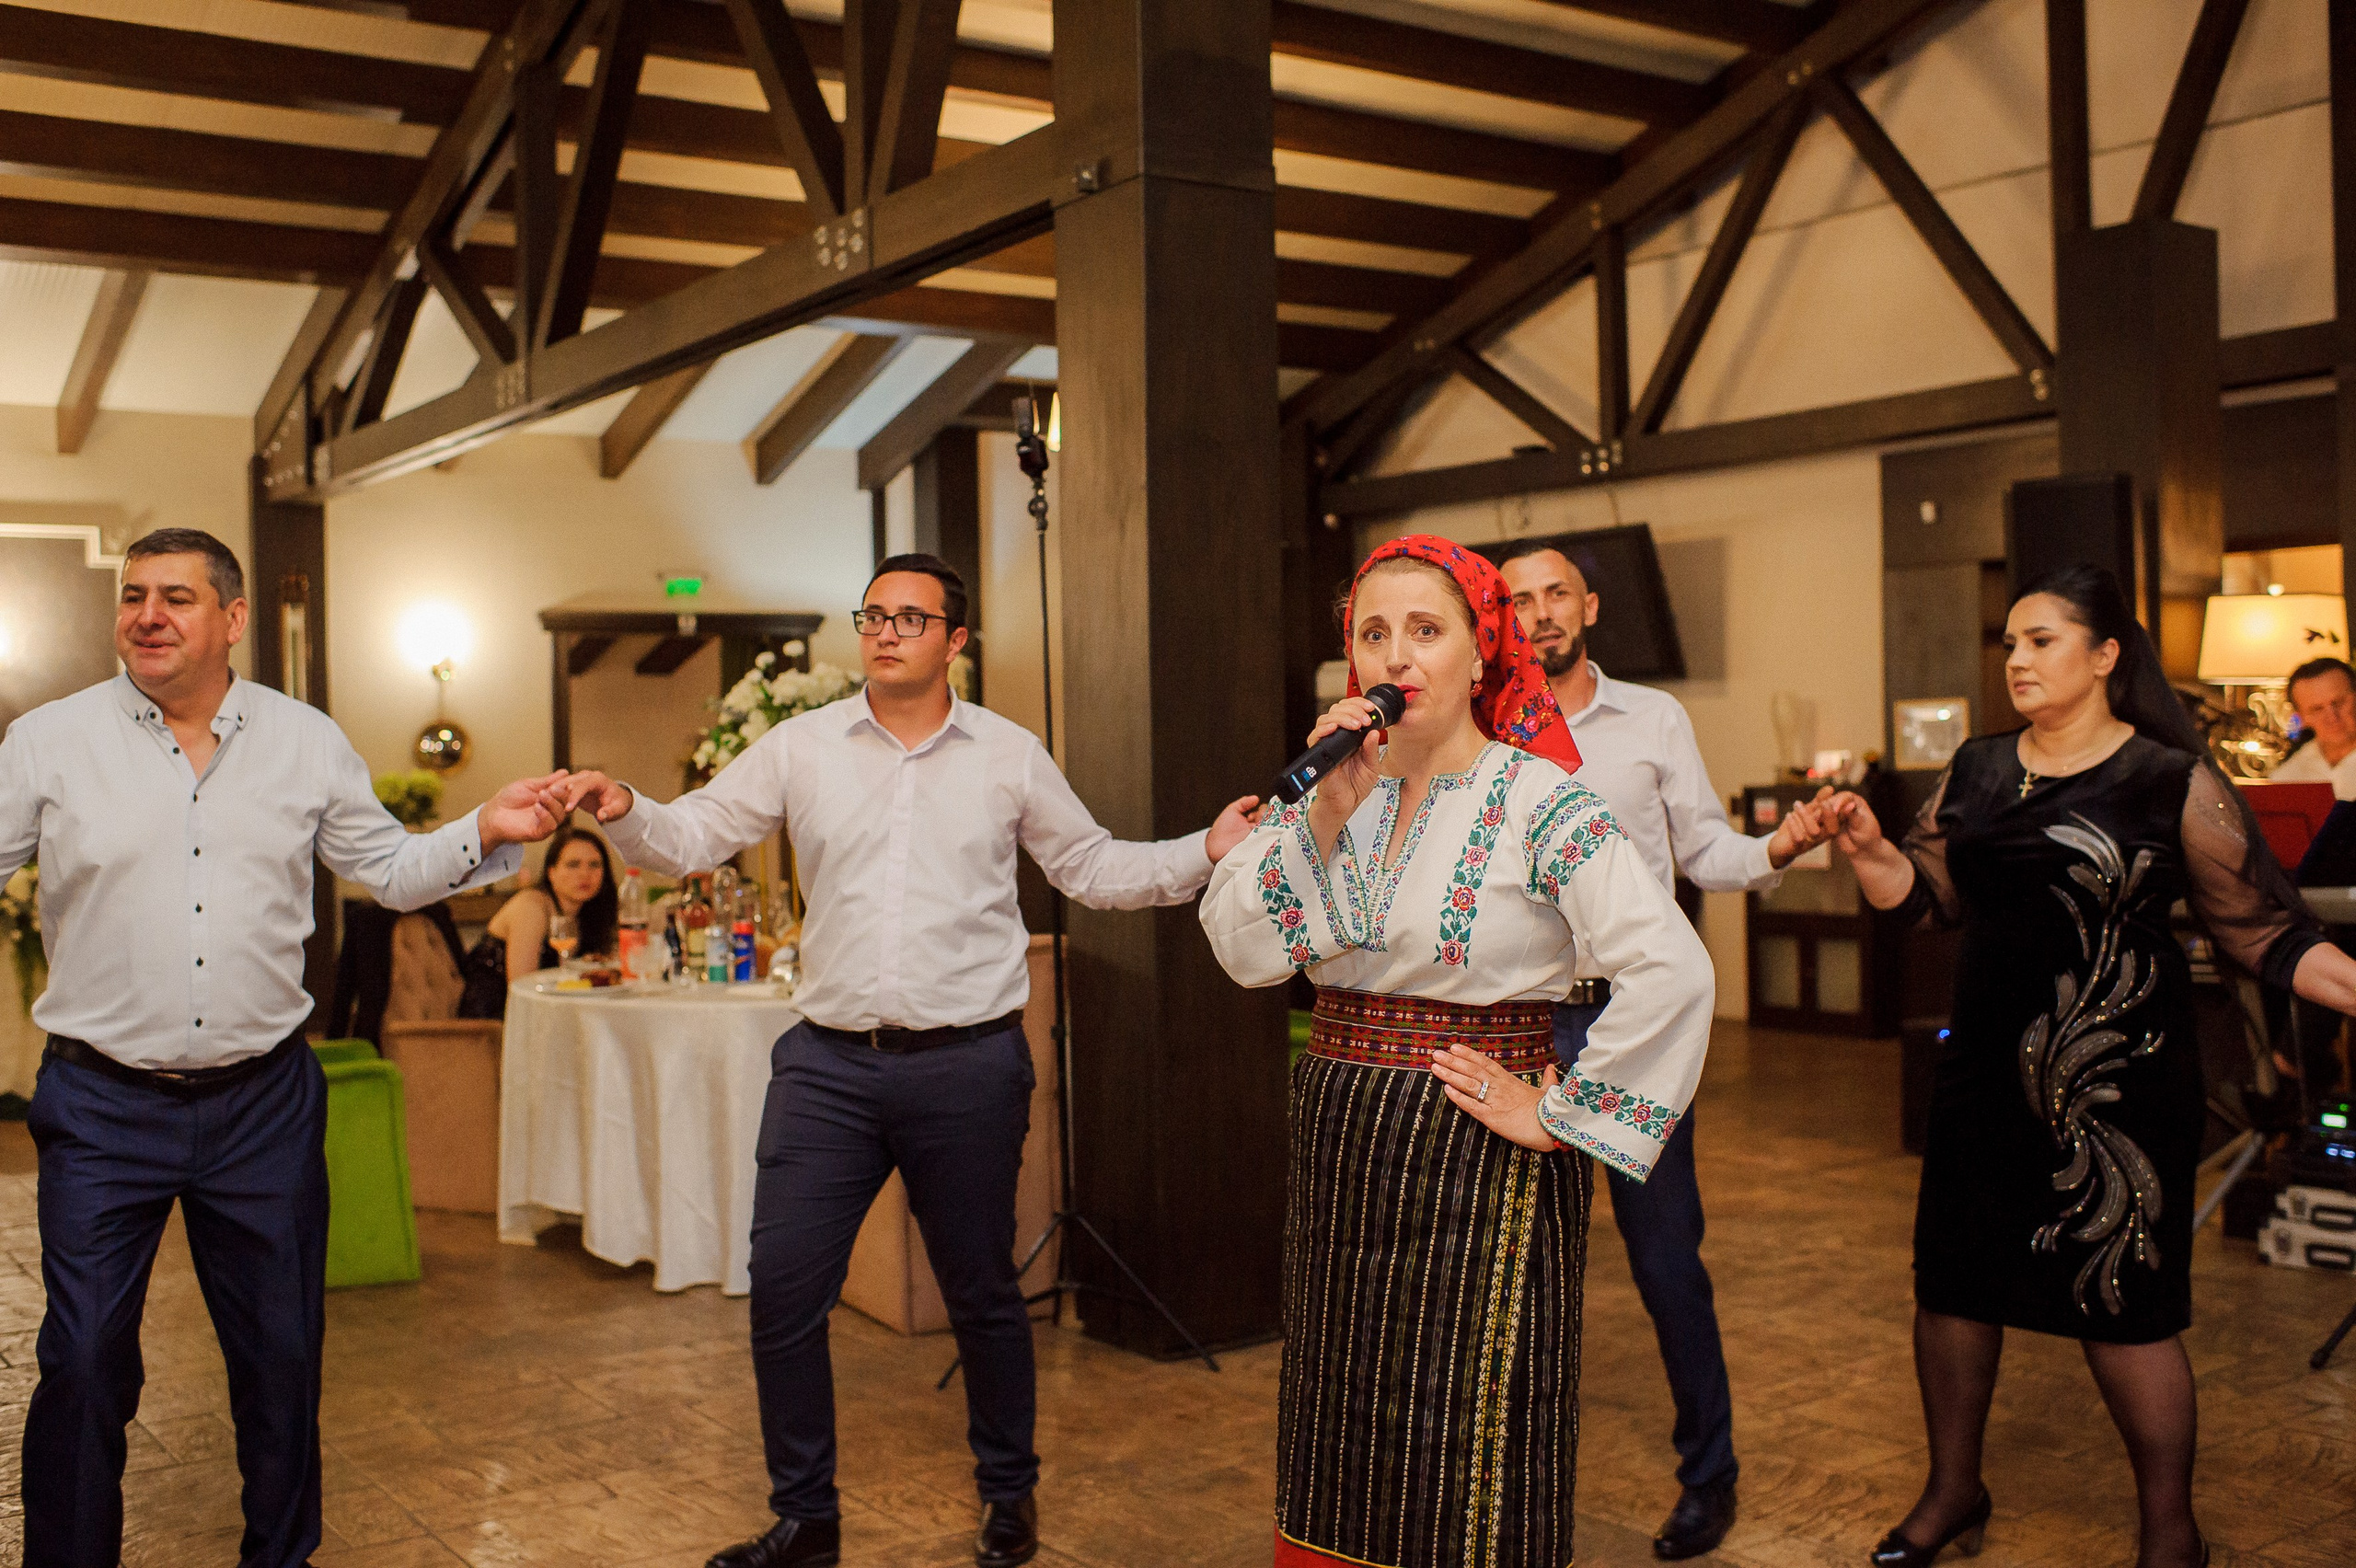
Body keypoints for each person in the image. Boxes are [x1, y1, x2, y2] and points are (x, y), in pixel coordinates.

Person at [560, 553, 1257, 1568]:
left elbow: (1092, 869)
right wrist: (622, 804)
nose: (885, 631)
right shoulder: (799, 747)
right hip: (826, 1069)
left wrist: (1206, 847)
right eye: (873, 614)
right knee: (785, 1290)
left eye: (910, 618)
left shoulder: (1010, 755)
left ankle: (1008, 1497)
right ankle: (805, 1519)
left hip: (967, 1069)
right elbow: (698, 832)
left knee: (978, 1291)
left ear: (955, 642)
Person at [0, 528, 571, 1568]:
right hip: (101, 1106)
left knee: (282, 1358)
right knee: (82, 1360)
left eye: (175, 596)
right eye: (133, 595)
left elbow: (391, 873)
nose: (146, 614)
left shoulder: (306, 740)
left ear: (231, 618)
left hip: (263, 1104)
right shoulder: (48, 740)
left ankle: (282, 1558)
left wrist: (487, 824)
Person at [1199, 535, 1716, 1568]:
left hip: (1477, 1158)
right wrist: (1326, 812)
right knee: (1335, 1426)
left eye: (1425, 631)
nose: (1396, 657)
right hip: (1345, 1149)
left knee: (1463, 1437)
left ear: (1482, 653)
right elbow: (1244, 949)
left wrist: (1558, 1111)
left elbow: (1671, 965)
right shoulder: (1335, 795)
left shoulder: (1540, 797)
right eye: (1373, 633)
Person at [1827, 565, 2356, 1568]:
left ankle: (2170, 1531)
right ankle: (1952, 1494)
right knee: (1952, 1289)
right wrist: (1864, 846)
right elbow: (1926, 892)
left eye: (2041, 642)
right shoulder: (1978, 769)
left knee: (2124, 1307)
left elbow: (2265, 936)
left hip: (2117, 1092)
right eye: (2011, 646)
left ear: (2106, 655)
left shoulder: (2169, 782)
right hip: (1983, 1078)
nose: (2017, 661)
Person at [1496, 537, 1837, 1560]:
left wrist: (1779, 845)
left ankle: (1709, 1475)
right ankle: (1503, 1472)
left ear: (1590, 606)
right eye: (1517, 599)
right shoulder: (1482, 730)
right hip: (1517, 1025)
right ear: (1497, 619)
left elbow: (1706, 850)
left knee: (1663, 1262)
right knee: (1517, 1265)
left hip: (1632, 1025)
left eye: (1556, 592)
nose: (1539, 612)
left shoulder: (1651, 719)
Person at [457, 820, 618, 1014]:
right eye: (573, 865)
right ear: (552, 872)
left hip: (549, 1011)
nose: (585, 874)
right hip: (494, 1020)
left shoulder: (590, 913)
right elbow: (522, 987)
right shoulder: (532, 906)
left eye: (594, 865)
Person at [2269, 656, 2356, 799]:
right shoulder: (2288, 778)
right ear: (2301, 717)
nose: (2332, 717)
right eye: (2317, 709)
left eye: (2339, 703)